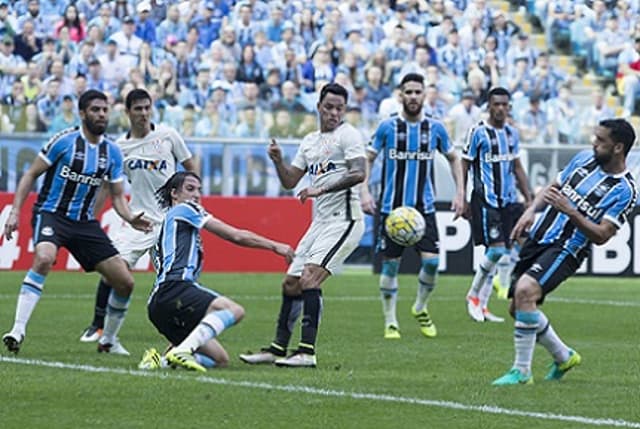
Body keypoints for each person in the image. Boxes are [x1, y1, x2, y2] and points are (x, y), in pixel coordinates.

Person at [2, 89, 152, 354]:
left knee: (125, 282)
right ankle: (18, 329)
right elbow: (31, 175)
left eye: (105, 110)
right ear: (83, 114)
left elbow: (117, 196)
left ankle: (108, 340)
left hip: (84, 223)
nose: (101, 115)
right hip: (52, 214)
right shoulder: (64, 141)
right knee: (45, 258)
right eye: (95, 110)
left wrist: (130, 217)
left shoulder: (113, 152)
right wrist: (15, 211)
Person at [493, 118, 638, 385]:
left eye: (600, 140)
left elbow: (603, 235)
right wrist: (530, 211)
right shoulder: (583, 159)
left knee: (525, 291)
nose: (593, 143)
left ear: (618, 148)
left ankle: (522, 371)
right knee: (518, 307)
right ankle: (563, 356)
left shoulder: (626, 191)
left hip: (567, 249)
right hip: (539, 237)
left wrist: (571, 212)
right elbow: (553, 187)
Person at [238, 82, 367, 368]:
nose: (334, 113)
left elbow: (359, 173)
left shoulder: (349, 135)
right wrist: (278, 161)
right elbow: (289, 181)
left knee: (309, 278)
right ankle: (277, 348)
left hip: (345, 220)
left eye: (340, 108)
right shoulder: (309, 141)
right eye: (329, 107)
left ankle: (307, 352)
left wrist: (321, 190)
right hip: (319, 222)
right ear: (318, 107)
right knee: (291, 283)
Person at [78, 88, 198, 354]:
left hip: (170, 221)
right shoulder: (119, 148)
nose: (144, 113)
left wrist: (194, 194)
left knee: (174, 282)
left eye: (147, 108)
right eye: (138, 109)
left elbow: (191, 164)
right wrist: (90, 217)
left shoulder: (168, 136)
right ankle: (103, 332)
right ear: (127, 111)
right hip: (139, 220)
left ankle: (183, 334)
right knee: (115, 269)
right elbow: (109, 188)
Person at [141, 172, 295, 372]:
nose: (196, 195)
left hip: (157, 304)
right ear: (174, 194)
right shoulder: (185, 209)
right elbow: (236, 236)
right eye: (190, 189)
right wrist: (275, 246)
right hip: (176, 287)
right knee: (233, 310)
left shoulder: (170, 223)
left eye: (199, 190)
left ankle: (158, 360)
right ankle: (183, 350)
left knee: (220, 360)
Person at [362, 72, 465, 339]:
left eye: (417, 92)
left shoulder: (436, 128)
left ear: (424, 95)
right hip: (391, 210)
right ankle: (390, 321)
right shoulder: (387, 127)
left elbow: (454, 159)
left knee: (432, 264)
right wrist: (363, 192)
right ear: (401, 95)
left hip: (424, 209)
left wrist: (460, 193)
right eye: (408, 92)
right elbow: (368, 158)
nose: (413, 97)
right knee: (390, 266)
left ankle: (420, 307)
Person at [462, 87, 532, 323]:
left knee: (498, 253)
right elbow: (464, 164)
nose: (501, 108)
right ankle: (472, 296)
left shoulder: (512, 133)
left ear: (509, 107)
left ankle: (482, 305)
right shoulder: (478, 132)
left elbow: (517, 167)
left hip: (508, 201)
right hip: (486, 200)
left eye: (505, 104)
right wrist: (461, 196)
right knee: (497, 250)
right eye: (496, 104)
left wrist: (529, 199)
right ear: (489, 106)